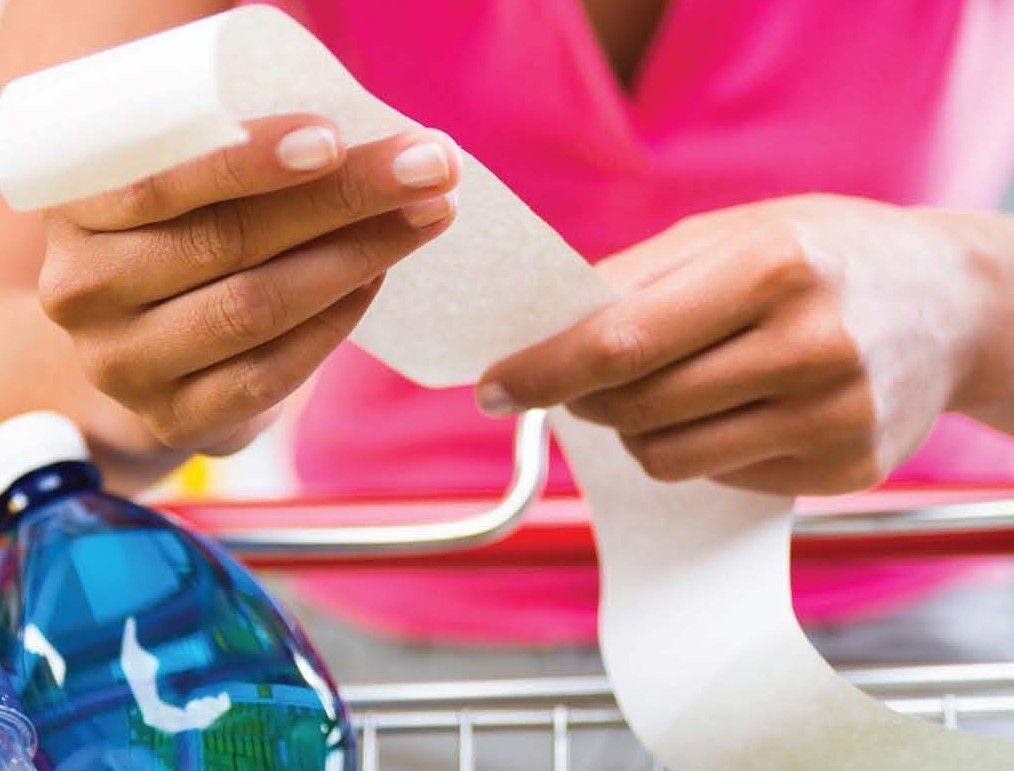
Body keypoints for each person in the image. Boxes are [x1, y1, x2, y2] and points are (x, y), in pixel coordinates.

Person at [2, 0, 1014, 766]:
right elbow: (30, 298)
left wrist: (971, 305)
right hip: (392, 653)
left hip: (930, 627)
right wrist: (143, 376)